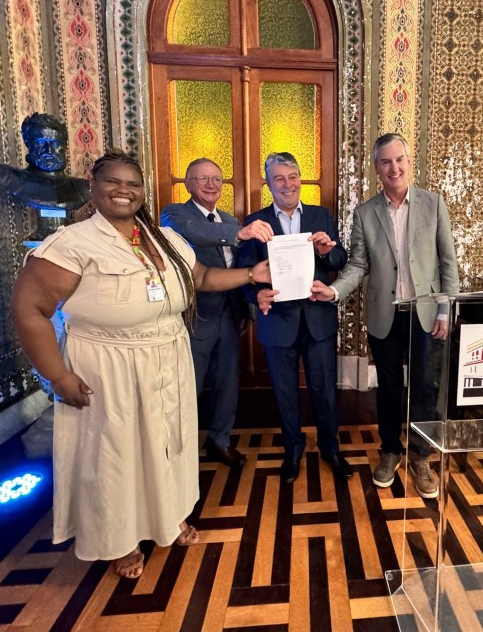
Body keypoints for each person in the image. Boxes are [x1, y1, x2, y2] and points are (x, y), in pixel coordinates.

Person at [10, 150, 270, 579]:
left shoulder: (163, 239)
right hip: (108, 367)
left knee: (168, 444)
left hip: (168, 358)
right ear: (93, 187)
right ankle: (120, 540)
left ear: (142, 191)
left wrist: (250, 275)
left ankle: (169, 517)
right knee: (116, 455)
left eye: (132, 183)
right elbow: (28, 309)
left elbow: (201, 278)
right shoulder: (73, 243)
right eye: (113, 181)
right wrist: (57, 375)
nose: (123, 190)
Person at [310, 133, 459, 498]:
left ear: (409, 161)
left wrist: (445, 309)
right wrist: (334, 291)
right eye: (386, 162)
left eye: (399, 159)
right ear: (376, 167)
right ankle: (390, 450)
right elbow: (358, 264)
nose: (394, 168)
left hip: (426, 313)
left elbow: (448, 263)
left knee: (425, 387)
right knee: (389, 389)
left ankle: (421, 456)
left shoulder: (433, 204)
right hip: (385, 315)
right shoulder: (365, 213)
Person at [236, 152, 351, 484]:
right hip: (277, 324)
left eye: (292, 177)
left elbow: (339, 258)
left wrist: (327, 252)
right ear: (268, 183)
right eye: (279, 178)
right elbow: (243, 274)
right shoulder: (255, 222)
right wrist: (255, 296)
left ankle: (330, 449)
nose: (287, 184)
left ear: (300, 178)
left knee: (324, 391)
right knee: (285, 393)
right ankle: (293, 451)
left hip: (318, 320)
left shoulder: (320, 215)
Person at [160, 158, 274, 467]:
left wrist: (247, 310)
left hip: (230, 315)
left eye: (216, 179)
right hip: (195, 318)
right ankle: (178, 452)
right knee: (188, 387)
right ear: (188, 184)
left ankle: (220, 441)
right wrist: (240, 232)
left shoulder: (230, 220)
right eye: (203, 178)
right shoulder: (175, 214)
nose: (211, 184)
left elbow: (241, 269)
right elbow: (196, 232)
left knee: (227, 383)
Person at [0, 112, 91, 240]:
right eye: (41, 142)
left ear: (64, 146)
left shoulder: (82, 187)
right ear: (28, 144)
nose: (49, 150)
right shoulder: (11, 178)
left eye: (55, 143)